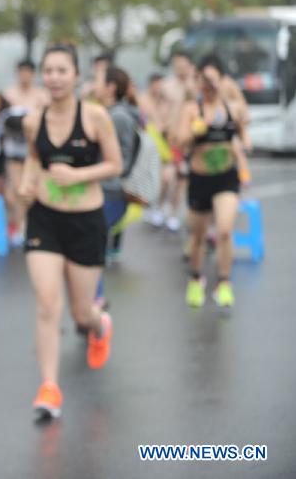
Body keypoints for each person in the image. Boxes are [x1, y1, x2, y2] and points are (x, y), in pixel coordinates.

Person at [18, 44, 122, 420]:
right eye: (49, 71)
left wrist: (77, 174)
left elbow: (115, 164)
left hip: (85, 221)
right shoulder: (34, 120)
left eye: (62, 70)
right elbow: (34, 157)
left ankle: (99, 323)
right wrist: (28, 184)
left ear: (76, 76)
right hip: (45, 218)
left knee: (80, 314)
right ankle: (49, 387)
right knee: (47, 303)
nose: (54, 78)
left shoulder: (95, 117)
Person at [174, 55, 246, 309]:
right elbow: (179, 141)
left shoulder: (231, 107)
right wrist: (196, 130)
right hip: (200, 178)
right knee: (198, 236)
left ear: (222, 81)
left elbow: (242, 132)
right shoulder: (191, 109)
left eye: (213, 80)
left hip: (226, 177)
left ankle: (224, 283)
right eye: (204, 80)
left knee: (225, 230)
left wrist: (245, 148)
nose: (209, 85)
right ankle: (196, 277)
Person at [92, 66, 140, 305]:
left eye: (97, 80)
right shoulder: (110, 112)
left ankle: (96, 299)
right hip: (107, 189)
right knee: (93, 243)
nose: (93, 85)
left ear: (111, 87)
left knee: (92, 243)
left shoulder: (116, 116)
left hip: (110, 191)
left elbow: (120, 160)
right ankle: (95, 298)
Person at [0, 59, 50, 247]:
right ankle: (16, 225)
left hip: (32, 149)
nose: (25, 75)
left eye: (28, 72)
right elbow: (1, 121)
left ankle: (24, 226)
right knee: (14, 190)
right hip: (12, 147)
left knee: (28, 190)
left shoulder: (41, 96)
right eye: (22, 72)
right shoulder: (9, 94)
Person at [149, 50, 196, 232]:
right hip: (168, 139)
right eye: (177, 65)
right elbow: (157, 107)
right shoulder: (167, 86)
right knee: (166, 177)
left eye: (183, 65)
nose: (180, 68)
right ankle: (159, 206)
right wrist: (160, 127)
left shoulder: (194, 85)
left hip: (186, 141)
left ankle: (174, 213)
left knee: (181, 180)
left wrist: (191, 81)